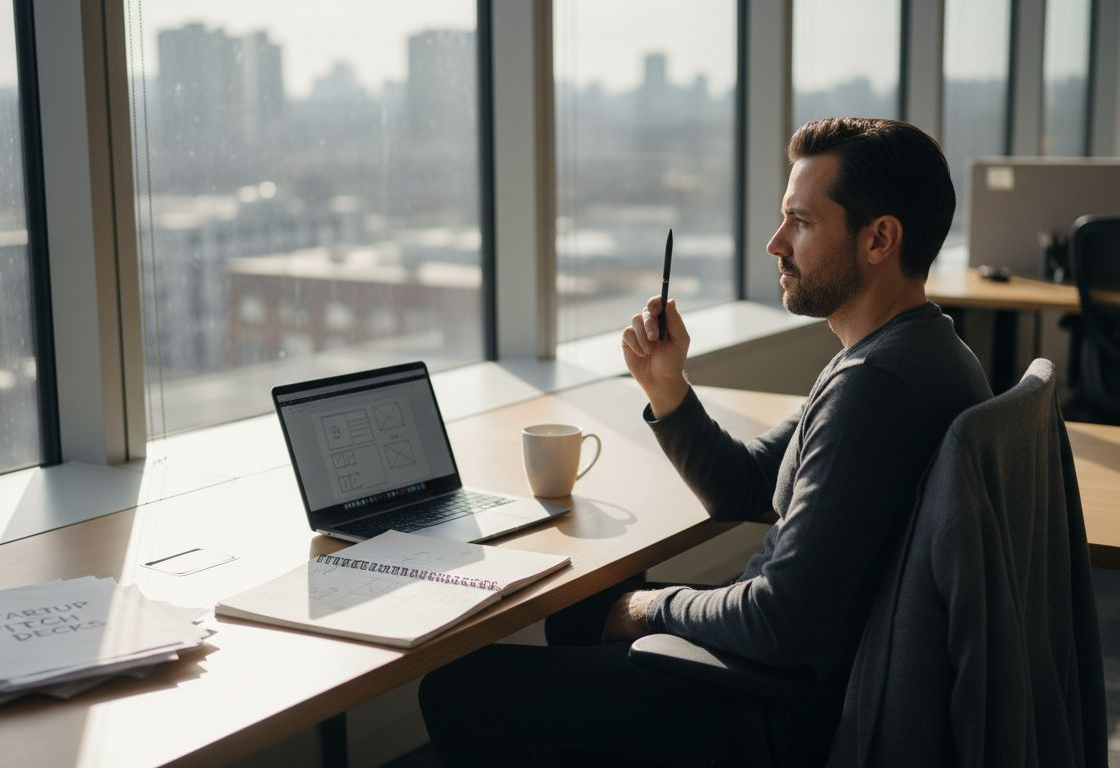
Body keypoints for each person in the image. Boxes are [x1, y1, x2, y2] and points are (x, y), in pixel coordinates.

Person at [418, 117, 992, 766]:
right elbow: (744, 488)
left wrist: (649, 607)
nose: (776, 244)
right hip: (819, 665)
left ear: (880, 238)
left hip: (783, 705)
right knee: (581, 617)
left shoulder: (875, 385)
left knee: (456, 688)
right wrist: (668, 388)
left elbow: (779, 622)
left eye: (801, 222)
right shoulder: (922, 351)